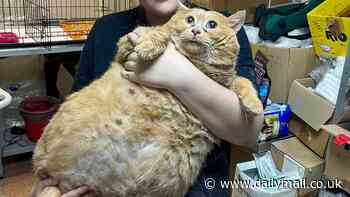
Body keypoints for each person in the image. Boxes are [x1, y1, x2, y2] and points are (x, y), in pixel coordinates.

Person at [31, 0, 264, 196]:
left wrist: (179, 76)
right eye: (191, 22)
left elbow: (249, 132)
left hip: (195, 186)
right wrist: (50, 181)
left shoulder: (224, 26)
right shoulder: (105, 29)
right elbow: (77, 108)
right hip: (97, 179)